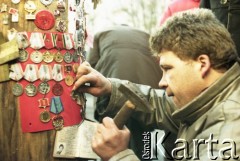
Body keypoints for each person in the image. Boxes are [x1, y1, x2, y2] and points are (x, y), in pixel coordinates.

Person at [73, 8, 240, 161]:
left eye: (168, 69)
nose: (162, 82)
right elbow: (156, 104)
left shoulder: (228, 133)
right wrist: (110, 87)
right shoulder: (206, 100)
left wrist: (118, 156)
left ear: (202, 64)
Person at [86, 25, 165, 160]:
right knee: (143, 133)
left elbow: (91, 65)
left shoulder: (101, 34)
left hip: (112, 84)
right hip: (148, 84)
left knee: (110, 134)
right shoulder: (147, 35)